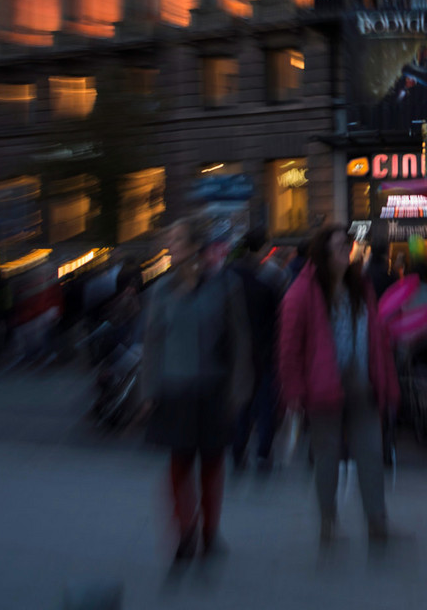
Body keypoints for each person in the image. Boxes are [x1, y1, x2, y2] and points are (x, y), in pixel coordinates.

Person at [139, 217, 252, 565]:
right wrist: (147, 390)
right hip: (174, 389)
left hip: (213, 389)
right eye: (170, 239)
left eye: (175, 239)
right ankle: (185, 534)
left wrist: (239, 388)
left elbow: (240, 342)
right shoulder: (161, 289)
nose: (170, 246)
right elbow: (152, 343)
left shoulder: (225, 286)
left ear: (193, 247)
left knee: (212, 465)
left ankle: (209, 533)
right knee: (178, 465)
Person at [278, 225, 399, 546]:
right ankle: (328, 522)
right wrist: (293, 390)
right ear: (322, 253)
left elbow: (377, 338)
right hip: (323, 387)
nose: (345, 251)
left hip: (362, 382)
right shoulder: (302, 291)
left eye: (348, 244)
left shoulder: (361, 286)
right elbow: (289, 346)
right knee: (327, 457)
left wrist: (385, 380)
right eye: (337, 246)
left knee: (371, 453)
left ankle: (377, 522)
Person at [229, 231, 282, 475]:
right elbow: (277, 317)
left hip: (238, 352)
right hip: (264, 351)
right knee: (264, 406)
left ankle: (238, 451)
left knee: (241, 403)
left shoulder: (230, 276)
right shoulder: (270, 280)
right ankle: (263, 453)